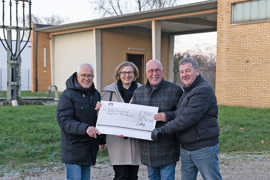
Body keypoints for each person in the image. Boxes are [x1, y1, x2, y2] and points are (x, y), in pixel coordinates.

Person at [151, 57, 222, 180]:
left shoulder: (202, 91)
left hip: (203, 148)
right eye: (182, 72)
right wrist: (166, 116)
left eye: (188, 70)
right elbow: (181, 112)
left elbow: (185, 120)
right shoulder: (189, 90)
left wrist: (161, 130)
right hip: (187, 147)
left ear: (197, 71)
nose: (184, 74)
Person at [132, 59, 183, 180]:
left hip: (168, 146)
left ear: (163, 72)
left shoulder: (175, 90)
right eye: (151, 71)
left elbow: (183, 115)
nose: (154, 73)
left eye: (157, 70)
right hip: (147, 148)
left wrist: (166, 116)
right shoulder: (139, 92)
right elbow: (133, 116)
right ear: (146, 73)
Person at [57, 63, 105, 180]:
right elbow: (64, 121)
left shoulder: (95, 94)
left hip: (89, 149)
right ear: (77, 75)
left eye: (90, 76)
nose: (87, 78)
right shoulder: (67, 95)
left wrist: (102, 139)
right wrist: (85, 129)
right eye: (83, 75)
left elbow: (99, 118)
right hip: (73, 148)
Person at [102, 61, 141, 180]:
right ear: (118, 74)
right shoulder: (109, 91)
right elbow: (102, 117)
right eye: (123, 72)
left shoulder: (142, 90)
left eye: (130, 72)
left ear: (134, 74)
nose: (126, 75)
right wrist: (101, 139)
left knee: (133, 175)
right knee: (121, 175)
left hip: (135, 140)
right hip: (116, 140)